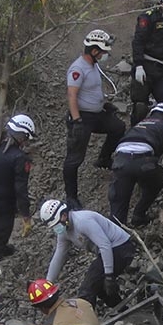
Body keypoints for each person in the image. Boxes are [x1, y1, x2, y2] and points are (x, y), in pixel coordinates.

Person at [107, 102, 163, 226]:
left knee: (118, 204)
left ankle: (117, 236)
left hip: (120, 162)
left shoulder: (138, 126)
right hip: (143, 163)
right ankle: (138, 214)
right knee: (158, 177)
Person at [65, 29, 126, 207]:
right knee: (74, 159)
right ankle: (71, 197)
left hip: (96, 114)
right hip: (82, 118)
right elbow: (72, 96)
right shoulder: (78, 69)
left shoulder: (93, 65)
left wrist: (103, 105)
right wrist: (76, 121)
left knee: (118, 128)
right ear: (94, 51)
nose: (106, 55)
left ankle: (104, 159)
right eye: (103, 51)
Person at [39, 199, 136, 308]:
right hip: (108, 251)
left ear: (64, 214)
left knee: (87, 289)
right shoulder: (63, 231)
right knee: (97, 285)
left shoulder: (82, 221)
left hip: (121, 248)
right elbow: (59, 255)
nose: (56, 228)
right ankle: (121, 309)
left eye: (56, 224)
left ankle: (85, 321)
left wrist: (109, 276)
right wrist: (48, 284)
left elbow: (105, 245)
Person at [0, 114, 36, 260]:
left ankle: (1, 246)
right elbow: (21, 190)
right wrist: (26, 216)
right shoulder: (20, 158)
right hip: (1, 208)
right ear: (22, 137)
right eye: (27, 138)